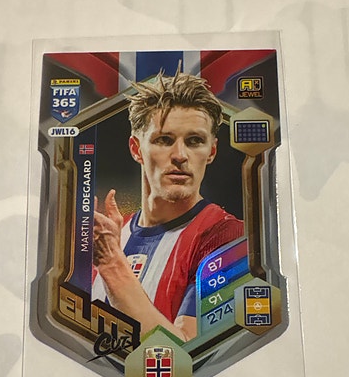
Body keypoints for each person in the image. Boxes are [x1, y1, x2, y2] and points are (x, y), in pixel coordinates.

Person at [92, 66, 243, 342]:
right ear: (136, 149)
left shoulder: (228, 236)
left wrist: (112, 264)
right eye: (164, 140)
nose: (180, 155)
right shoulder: (110, 236)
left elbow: (187, 354)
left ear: (211, 151)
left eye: (195, 141)